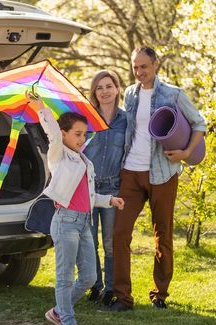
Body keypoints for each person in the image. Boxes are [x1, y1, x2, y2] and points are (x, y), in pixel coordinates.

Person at [105, 46, 206, 312]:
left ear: (156, 64)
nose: (139, 72)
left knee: (162, 235)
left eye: (144, 67)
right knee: (120, 233)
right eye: (135, 67)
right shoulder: (129, 94)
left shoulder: (173, 94)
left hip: (162, 174)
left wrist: (185, 153)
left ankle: (159, 294)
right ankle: (122, 297)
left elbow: (199, 123)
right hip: (130, 173)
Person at [31, 96, 125, 325]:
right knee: (64, 276)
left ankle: (59, 311)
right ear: (64, 134)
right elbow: (51, 131)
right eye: (77, 134)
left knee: (89, 277)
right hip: (65, 222)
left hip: (84, 223)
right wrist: (42, 108)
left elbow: (88, 196)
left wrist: (109, 201)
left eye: (84, 134)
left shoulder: (83, 160)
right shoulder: (59, 155)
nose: (82, 139)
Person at [83, 70, 127, 306]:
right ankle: (95, 286)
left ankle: (110, 289)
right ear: (94, 92)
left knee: (110, 242)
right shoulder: (87, 118)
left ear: (118, 88)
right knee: (90, 241)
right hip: (88, 189)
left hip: (113, 188)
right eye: (99, 87)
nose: (105, 91)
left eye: (109, 86)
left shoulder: (125, 120)